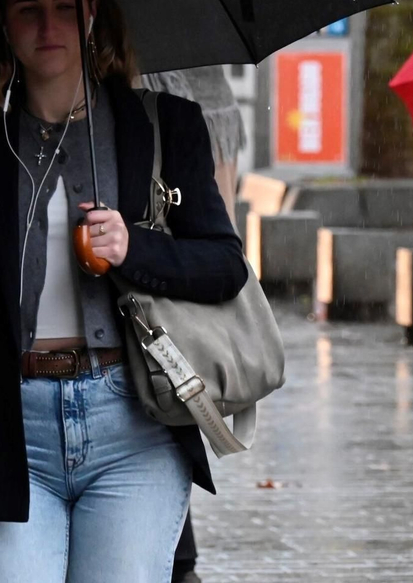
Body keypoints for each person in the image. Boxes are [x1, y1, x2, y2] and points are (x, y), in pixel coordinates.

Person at [0, 0, 249, 583]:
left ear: (91, 16)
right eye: (28, 10)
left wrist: (133, 248)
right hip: (7, 427)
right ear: (3, 23)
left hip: (131, 425)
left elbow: (225, 265)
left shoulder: (164, 127)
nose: (47, 27)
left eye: (64, 8)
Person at [140, 65, 247, 583]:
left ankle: (178, 554)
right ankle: (178, 556)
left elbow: (217, 250)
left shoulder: (177, 101)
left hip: (153, 294)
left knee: (162, 368)